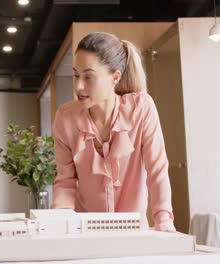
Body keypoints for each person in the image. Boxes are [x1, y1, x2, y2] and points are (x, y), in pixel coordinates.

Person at [51, 32, 175, 232]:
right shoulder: (66, 117)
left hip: (134, 232)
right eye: (75, 75)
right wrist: (58, 224)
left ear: (115, 77)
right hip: (86, 232)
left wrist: (164, 221)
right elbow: (65, 181)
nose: (79, 86)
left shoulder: (141, 108)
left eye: (89, 76)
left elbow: (157, 170)